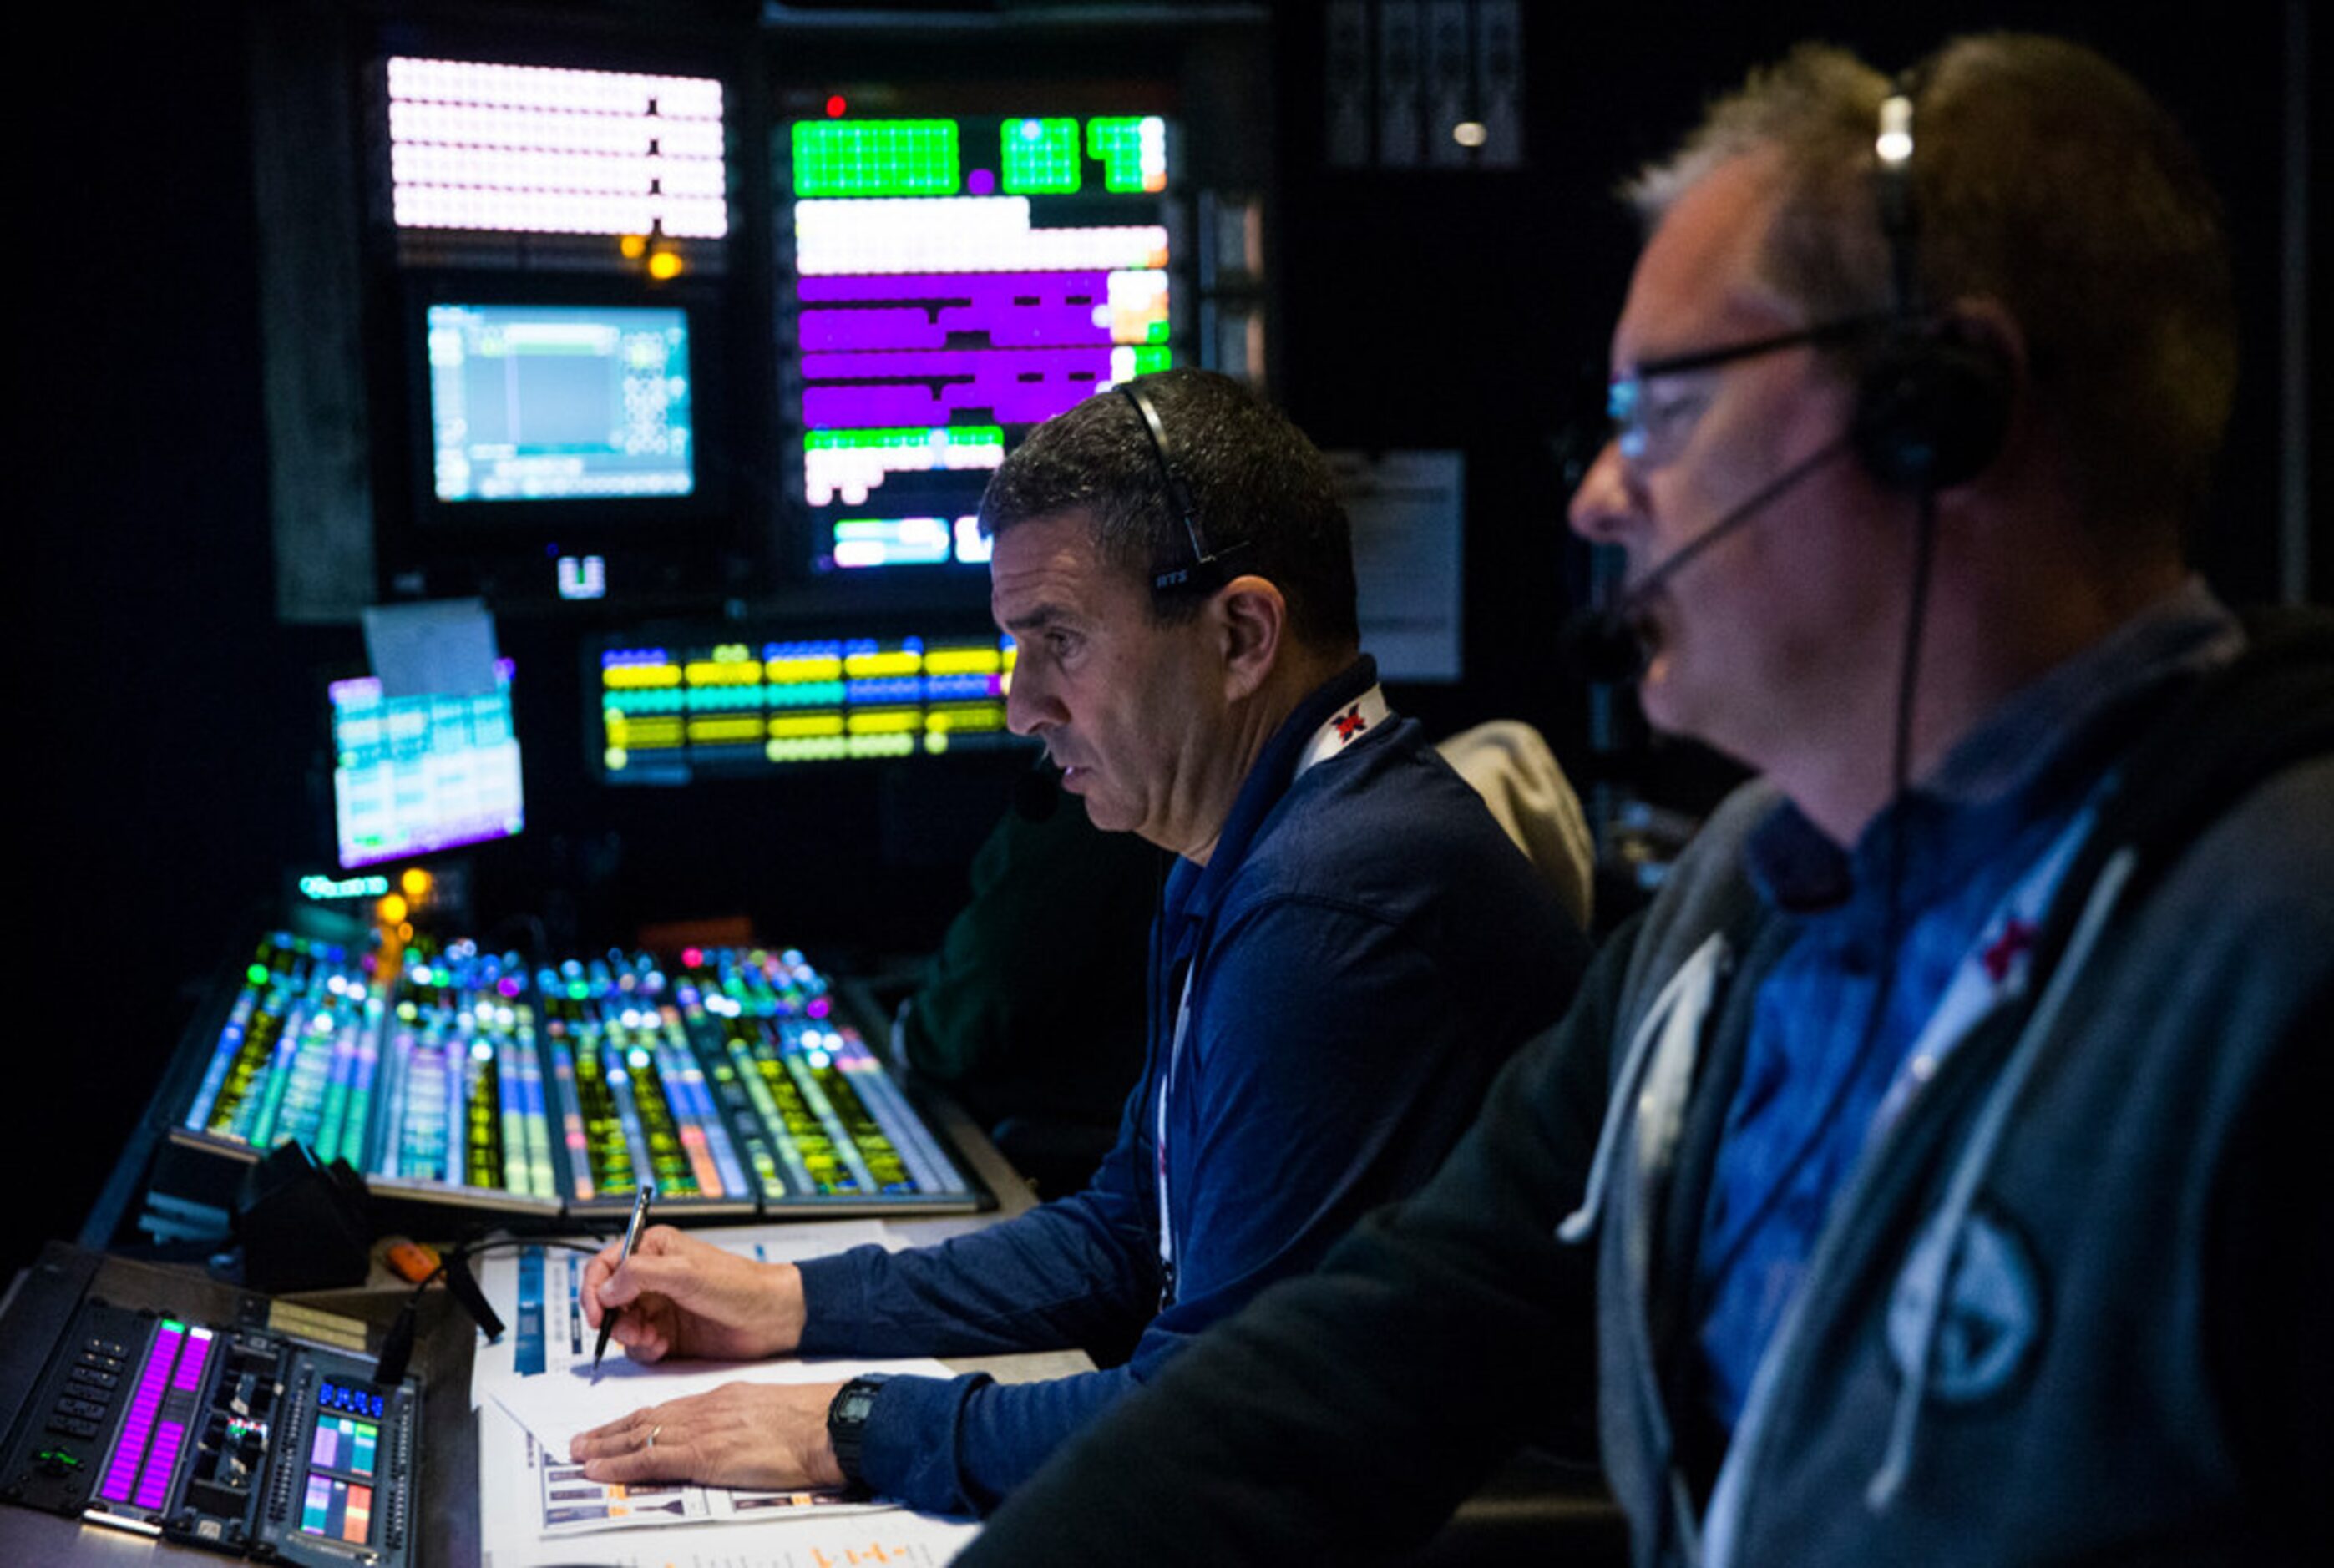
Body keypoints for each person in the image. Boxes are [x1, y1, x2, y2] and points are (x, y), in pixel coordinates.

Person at [956, 35, 2331, 1565]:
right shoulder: (1749, 893)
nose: (1599, 495)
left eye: (1661, 412)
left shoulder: (2281, 939)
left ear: (1940, 413)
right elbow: (1365, 1357)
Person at [569, 367, 1595, 1514]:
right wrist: (794, 1301)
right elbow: (1126, 1234)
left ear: (1242, 632)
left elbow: (1212, 1417)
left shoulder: (1331, 906)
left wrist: (848, 1422)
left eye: (1058, 639)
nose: (1020, 701)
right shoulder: (1253, 846)